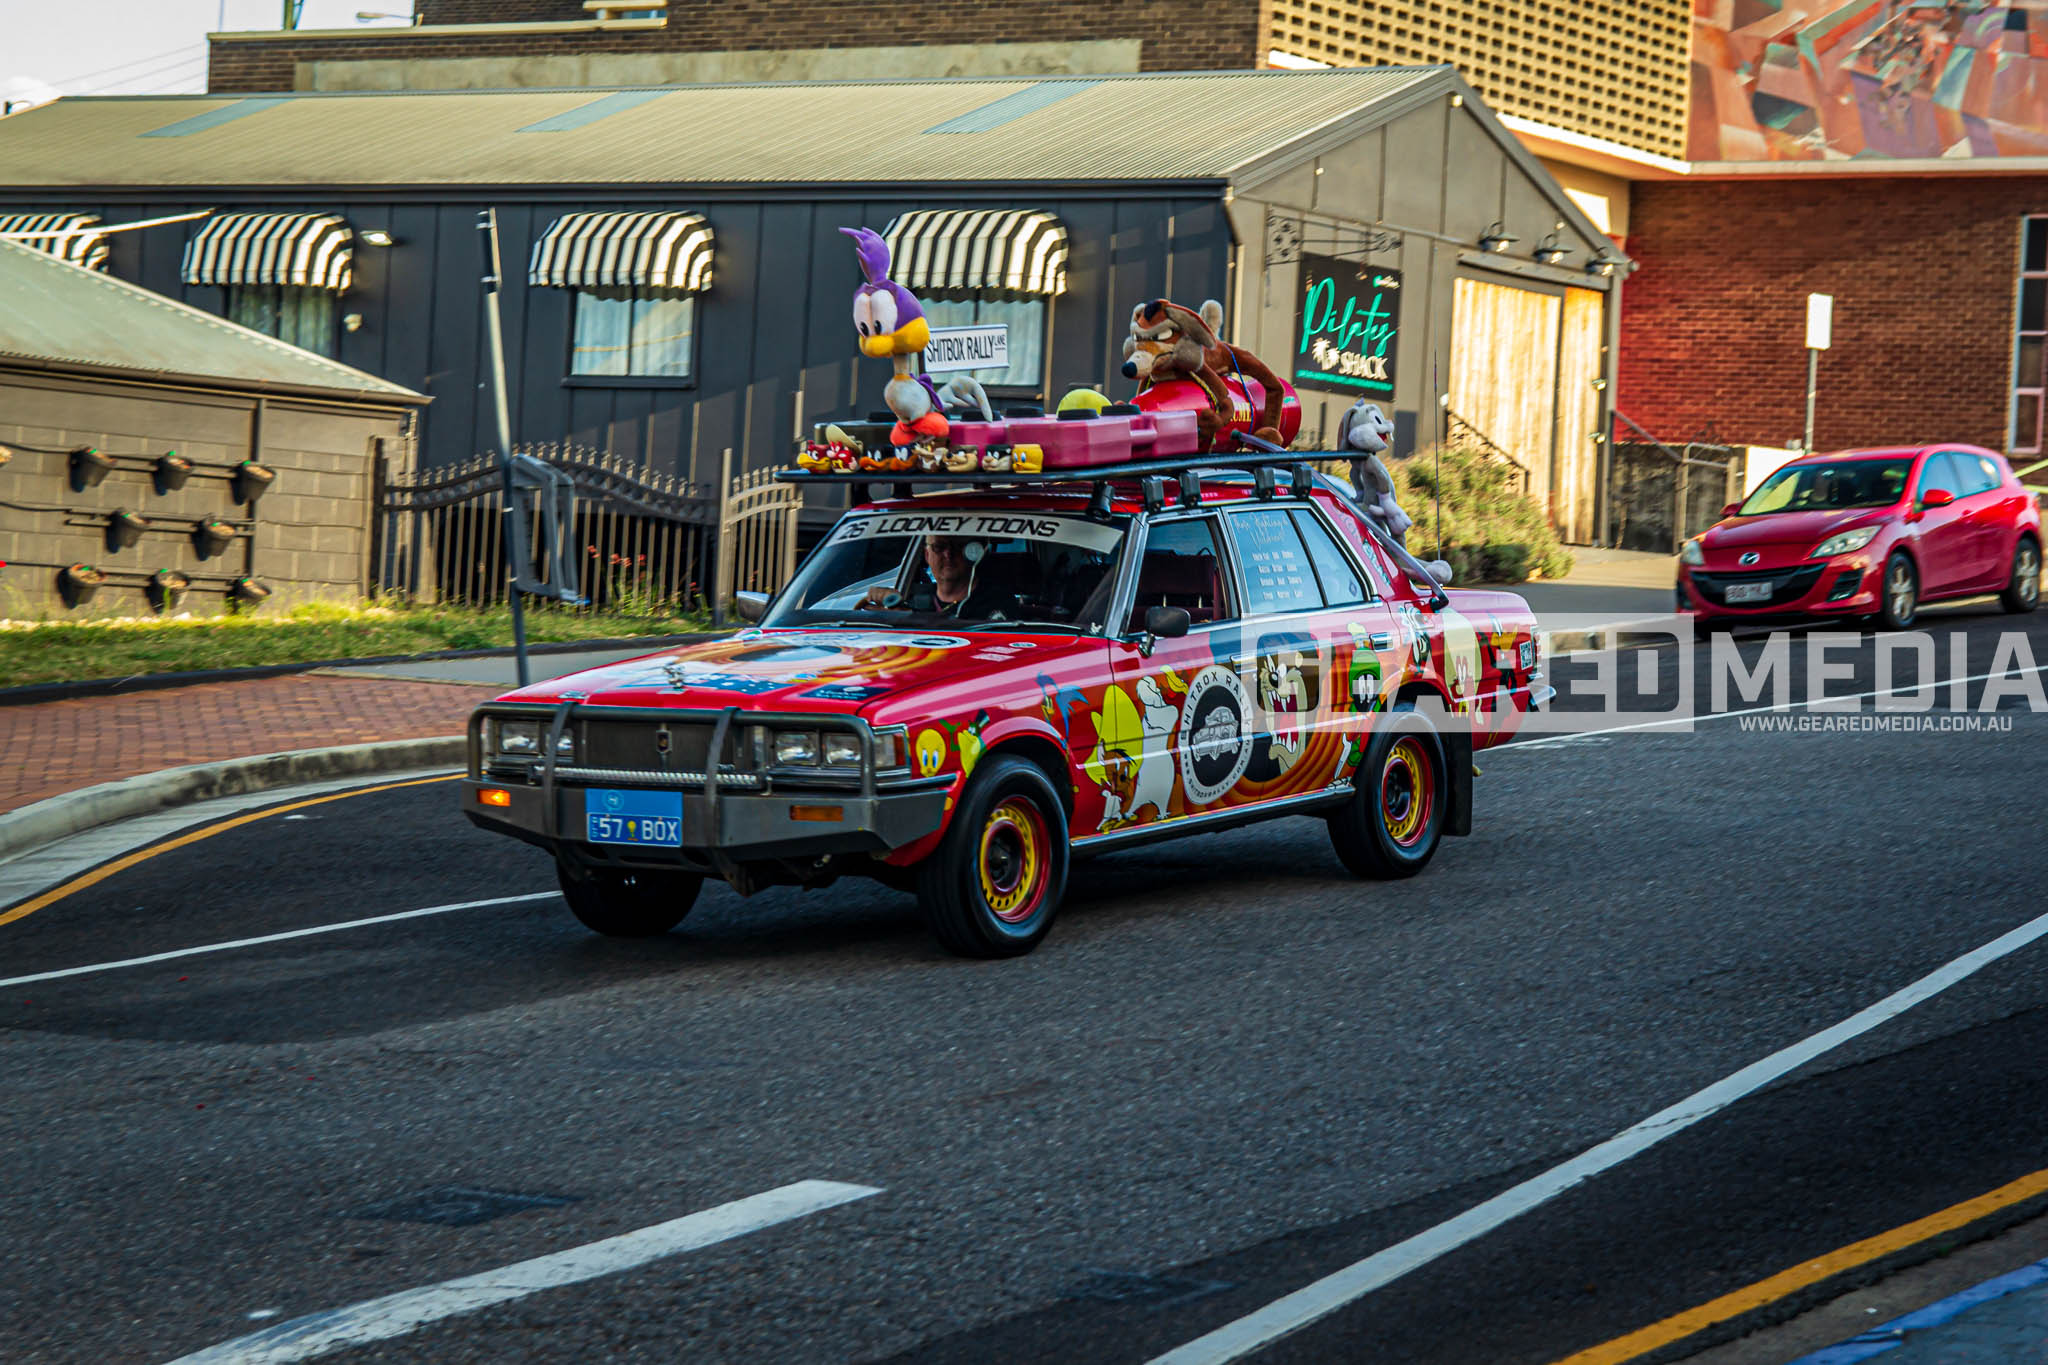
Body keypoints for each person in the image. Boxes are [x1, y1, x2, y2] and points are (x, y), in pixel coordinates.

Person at [861, 535, 980, 615]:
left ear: (972, 553)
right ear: (927, 555)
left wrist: (907, 616)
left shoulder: (989, 606)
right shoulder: (908, 600)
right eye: (938, 547)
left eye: (958, 546)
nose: (948, 554)